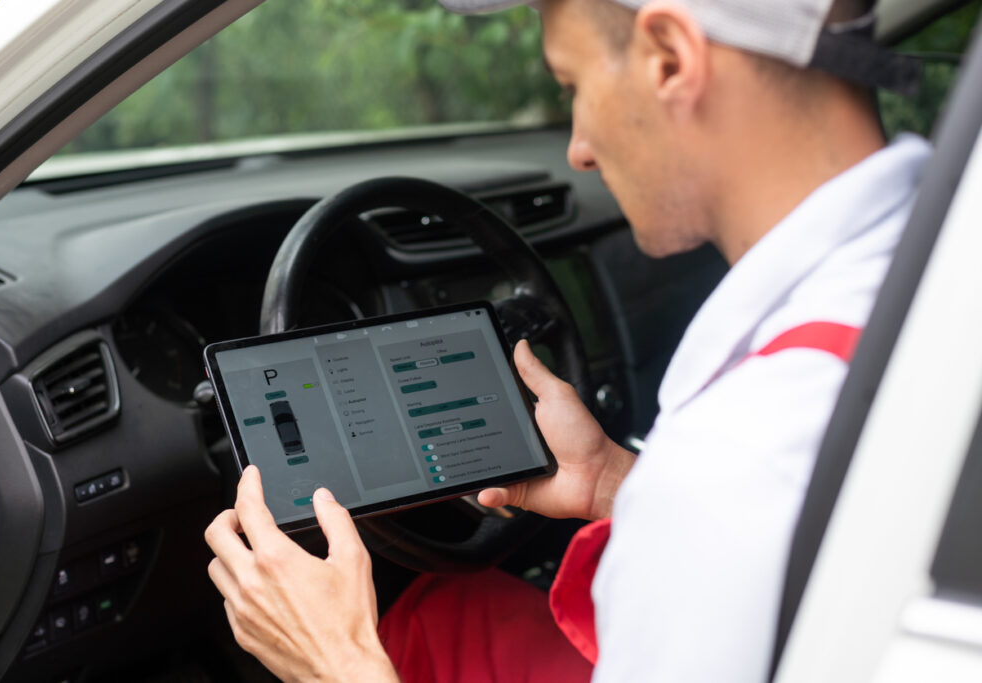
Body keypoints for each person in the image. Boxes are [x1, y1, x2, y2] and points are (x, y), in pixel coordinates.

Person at [204, 0, 931, 680]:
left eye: (573, 83)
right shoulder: (940, 265)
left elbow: (740, 507)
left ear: (671, 59)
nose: (579, 148)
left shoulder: (729, 473)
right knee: (451, 610)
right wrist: (616, 484)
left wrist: (339, 658)